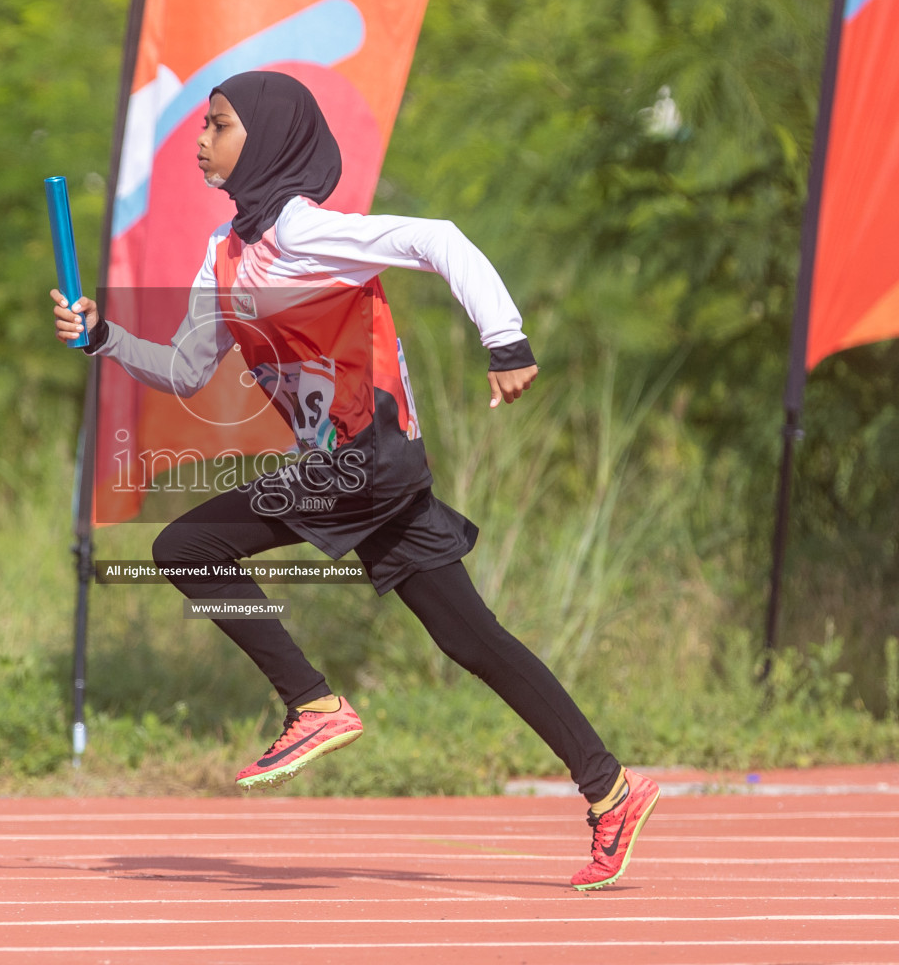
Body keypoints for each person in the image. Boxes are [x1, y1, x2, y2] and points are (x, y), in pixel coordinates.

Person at [50, 70, 658, 890]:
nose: (200, 140)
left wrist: (506, 341)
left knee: (186, 546)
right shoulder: (223, 258)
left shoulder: (308, 233)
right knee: (471, 639)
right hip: (357, 474)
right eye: (200, 126)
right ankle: (612, 789)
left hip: (367, 459)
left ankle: (312, 703)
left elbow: (439, 238)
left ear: (262, 138)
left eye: (218, 126)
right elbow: (189, 371)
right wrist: (104, 340)